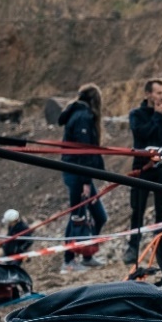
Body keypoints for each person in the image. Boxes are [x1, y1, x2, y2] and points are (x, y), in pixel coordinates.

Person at [123, 78, 162, 269]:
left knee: (161, 211)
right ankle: (133, 247)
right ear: (148, 94)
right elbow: (142, 135)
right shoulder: (137, 115)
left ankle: (161, 249)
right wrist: (157, 117)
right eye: (158, 93)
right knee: (138, 210)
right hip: (142, 168)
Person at [56, 84, 108, 274]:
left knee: (99, 216)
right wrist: (86, 181)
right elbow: (84, 151)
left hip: (78, 171)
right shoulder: (83, 117)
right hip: (77, 173)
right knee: (77, 217)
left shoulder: (78, 114)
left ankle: (87, 254)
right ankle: (68, 260)